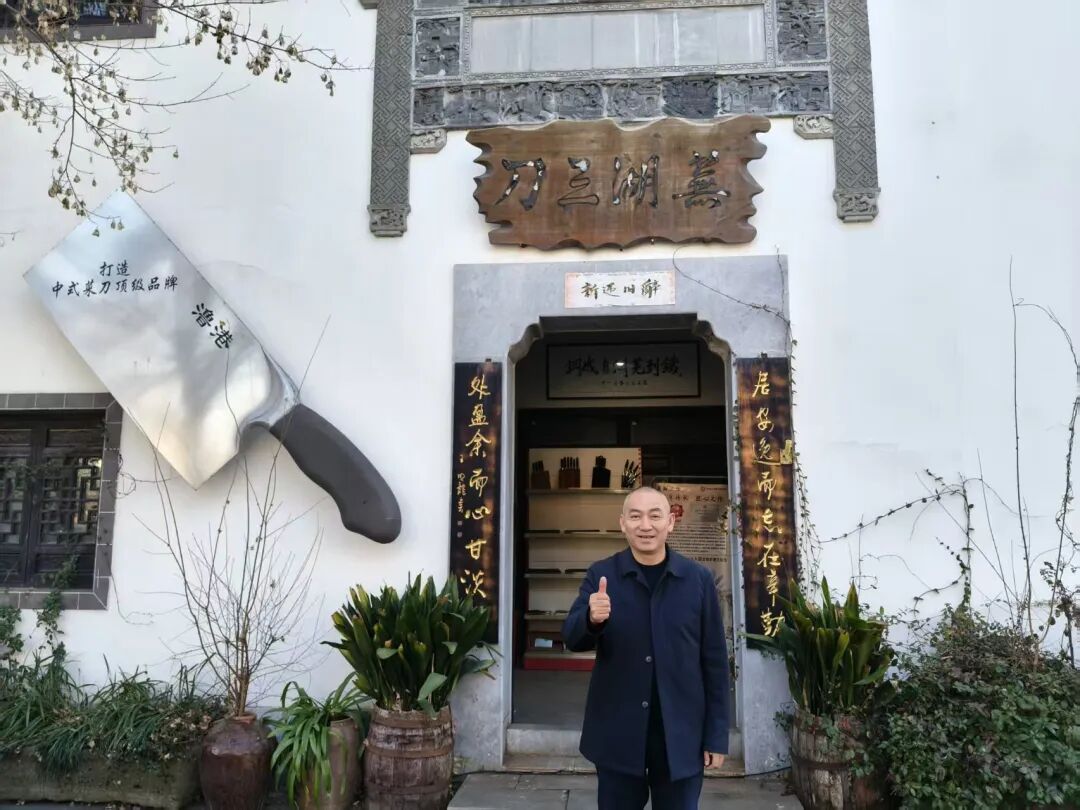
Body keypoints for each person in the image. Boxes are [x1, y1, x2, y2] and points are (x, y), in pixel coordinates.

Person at [562, 486, 729, 810]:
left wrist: (716, 735)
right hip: (618, 731)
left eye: (655, 516)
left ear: (671, 522)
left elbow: (714, 662)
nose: (646, 525)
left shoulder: (697, 580)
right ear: (622, 523)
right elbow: (572, 637)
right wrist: (591, 619)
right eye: (635, 516)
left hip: (681, 733)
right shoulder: (602, 575)